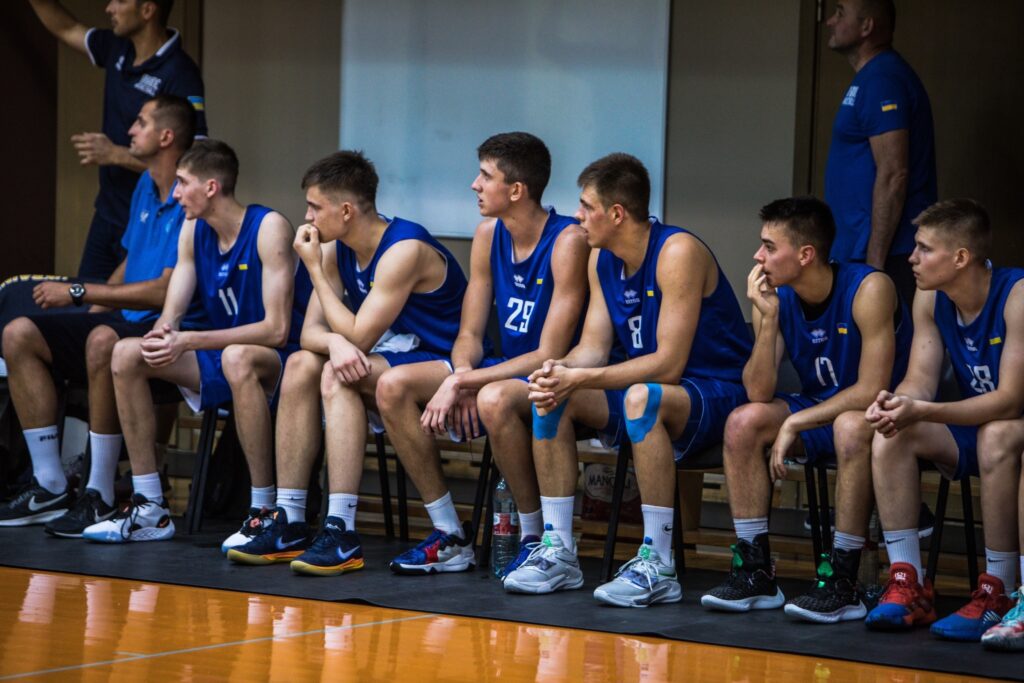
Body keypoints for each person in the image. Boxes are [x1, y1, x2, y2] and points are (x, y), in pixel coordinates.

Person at [504, 153, 752, 605]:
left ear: (616, 213)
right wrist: (560, 371)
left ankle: (659, 563)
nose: (577, 216)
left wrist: (584, 376)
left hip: (714, 391)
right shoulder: (601, 258)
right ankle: (558, 550)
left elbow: (669, 364)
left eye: (586, 206)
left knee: (641, 397)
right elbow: (593, 347)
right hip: (647, 389)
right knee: (552, 396)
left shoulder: (677, 252)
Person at [226, 150, 470, 576]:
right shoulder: (338, 249)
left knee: (335, 373)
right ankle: (290, 519)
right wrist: (336, 343)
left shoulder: (404, 249)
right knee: (301, 364)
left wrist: (316, 273)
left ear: (345, 211)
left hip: (446, 365)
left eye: (314, 207)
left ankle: (341, 527)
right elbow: (310, 334)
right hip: (390, 358)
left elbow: (357, 337)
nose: (307, 217)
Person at [372, 132, 589, 576]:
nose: (475, 185)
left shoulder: (568, 240)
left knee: (491, 397)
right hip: (501, 370)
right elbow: (469, 332)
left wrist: (463, 381)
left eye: (486, 176)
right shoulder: (488, 234)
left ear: (516, 190)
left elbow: (549, 352)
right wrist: (464, 371)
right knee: (391, 385)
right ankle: (450, 533)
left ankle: (532, 537)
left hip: (553, 375)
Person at [81, 139, 310, 544]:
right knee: (127, 353)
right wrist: (163, 335)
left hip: (282, 361)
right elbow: (171, 315)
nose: (175, 193)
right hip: (221, 353)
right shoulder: (193, 229)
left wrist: (189, 340)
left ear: (211, 187)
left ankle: (262, 510)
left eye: (183, 182)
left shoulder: (268, 227)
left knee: (237, 357)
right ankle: (150, 506)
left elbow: (276, 330)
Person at [699, 196, 910, 623]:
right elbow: (758, 391)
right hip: (820, 408)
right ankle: (754, 572)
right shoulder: (776, 296)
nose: (757, 257)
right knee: (742, 422)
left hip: (881, 414)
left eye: (768, 247)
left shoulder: (870, 288)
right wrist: (768, 321)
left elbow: (872, 389)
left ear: (806, 254)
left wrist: (796, 421)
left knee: (849, 425)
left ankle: (843, 582)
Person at [0, 95, 197, 535]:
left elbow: (164, 289)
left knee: (101, 339)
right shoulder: (146, 183)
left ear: (166, 136)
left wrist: (79, 292)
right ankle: (49, 486)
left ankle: (100, 493)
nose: (130, 130)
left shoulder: (191, 199)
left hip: (161, 332)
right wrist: (92, 309)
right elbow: (130, 260)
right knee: (19, 333)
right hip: (118, 321)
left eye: (141, 122)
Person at [864, 199, 1024, 651]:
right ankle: (908, 583)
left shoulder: (1017, 295)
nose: (912, 258)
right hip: (980, 424)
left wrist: (923, 410)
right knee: (893, 432)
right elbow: (921, 379)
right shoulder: (931, 296)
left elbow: (1011, 401)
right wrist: (896, 404)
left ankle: (1000, 589)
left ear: (960, 257)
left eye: (924, 248)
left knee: (996, 434)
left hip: (1010, 425)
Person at [28, 0, 206, 280]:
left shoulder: (181, 73)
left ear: (147, 10)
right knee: (88, 297)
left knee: (125, 301)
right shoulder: (117, 46)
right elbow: (66, 28)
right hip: (107, 210)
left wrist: (116, 154)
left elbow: (196, 160)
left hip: (151, 216)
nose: (109, 8)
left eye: (120, 1)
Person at [824, 0, 936, 303]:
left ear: (867, 26)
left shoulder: (883, 79)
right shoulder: (871, 77)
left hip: (886, 254)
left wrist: (874, 265)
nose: (830, 21)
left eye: (840, 12)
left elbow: (893, 173)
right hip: (858, 250)